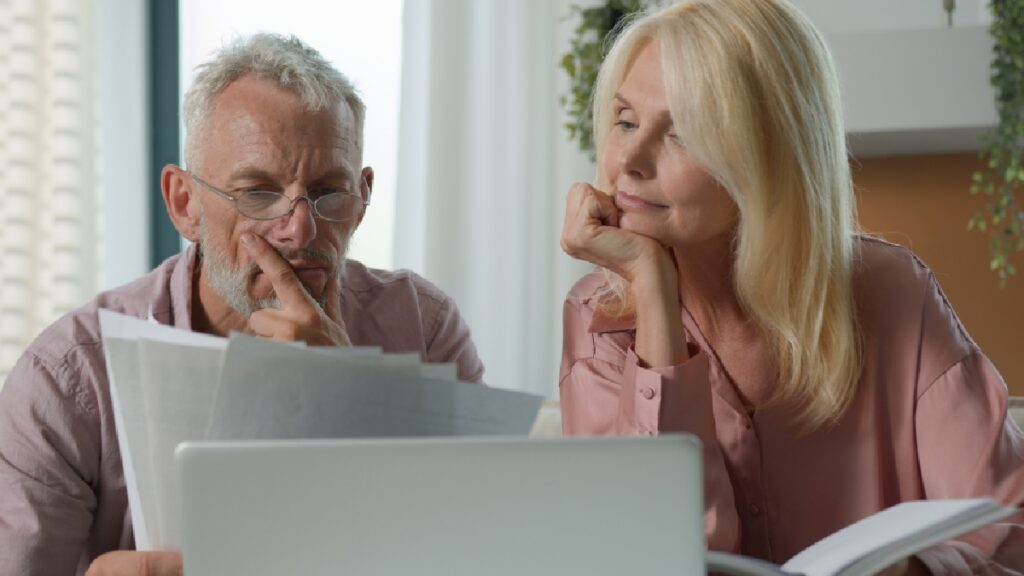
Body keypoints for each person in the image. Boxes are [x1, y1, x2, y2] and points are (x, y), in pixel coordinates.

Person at [559, 1, 1024, 574]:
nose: (629, 159)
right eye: (625, 120)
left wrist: (913, 570)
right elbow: (653, 555)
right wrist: (653, 295)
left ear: (769, 157)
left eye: (681, 135)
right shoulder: (600, 318)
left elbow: (1008, 531)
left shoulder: (894, 294)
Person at [0, 33, 484, 576]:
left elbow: (478, 546)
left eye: (329, 192)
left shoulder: (424, 328)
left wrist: (356, 396)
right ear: (185, 204)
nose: (300, 229)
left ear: (363, 199)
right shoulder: (70, 379)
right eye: (257, 192)